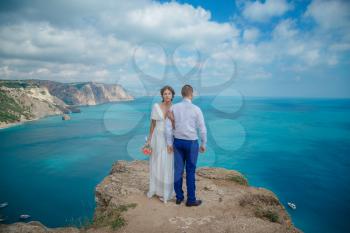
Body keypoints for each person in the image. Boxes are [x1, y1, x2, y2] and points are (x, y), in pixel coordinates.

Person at [165, 84, 207, 207]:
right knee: (190, 171)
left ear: (182, 94)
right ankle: (191, 200)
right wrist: (204, 143)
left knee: (178, 170)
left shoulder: (174, 107)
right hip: (192, 143)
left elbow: (168, 128)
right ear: (191, 94)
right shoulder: (196, 109)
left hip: (177, 142)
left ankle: (179, 197)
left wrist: (169, 143)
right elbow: (202, 129)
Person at [145, 85, 176, 203]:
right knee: (156, 162)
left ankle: (166, 191)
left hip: (168, 139)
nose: (167, 95)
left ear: (172, 95)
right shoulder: (156, 106)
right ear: (162, 95)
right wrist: (149, 139)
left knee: (167, 163)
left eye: (169, 93)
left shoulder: (175, 107)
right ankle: (156, 190)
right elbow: (152, 124)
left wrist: (172, 119)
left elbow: (176, 126)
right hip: (157, 138)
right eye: (165, 93)